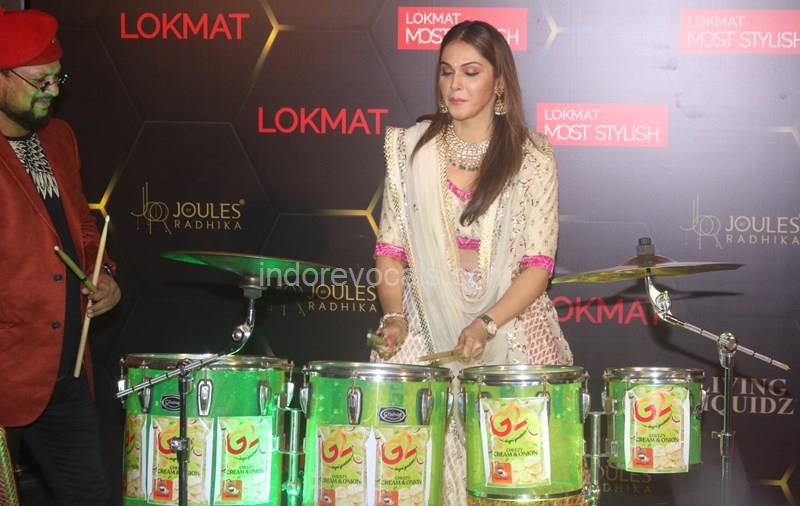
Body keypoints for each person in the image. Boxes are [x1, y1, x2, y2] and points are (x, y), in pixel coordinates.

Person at [370, 21, 578, 505]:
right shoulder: (413, 149)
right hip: (425, 321)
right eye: (446, 72)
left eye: (470, 72)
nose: (455, 85)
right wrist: (395, 316)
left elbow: (538, 265)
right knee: (403, 458)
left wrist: (486, 323)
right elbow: (391, 248)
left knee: (522, 474)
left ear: (498, 83)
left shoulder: (532, 156)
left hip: (511, 320)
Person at [0, 7, 121, 505]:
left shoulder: (59, 137)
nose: (51, 91)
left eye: (57, 78)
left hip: (64, 369)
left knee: (88, 496)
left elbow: (83, 228)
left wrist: (103, 273)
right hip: (6, 366)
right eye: (39, 81)